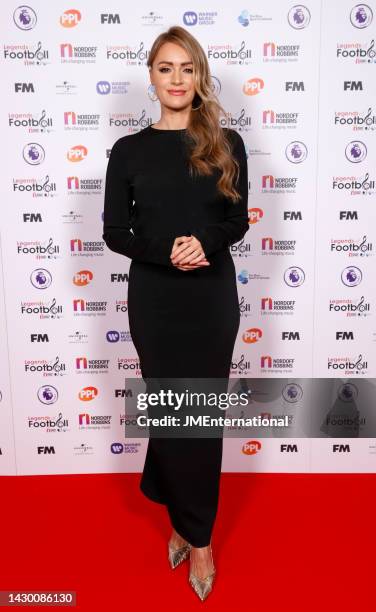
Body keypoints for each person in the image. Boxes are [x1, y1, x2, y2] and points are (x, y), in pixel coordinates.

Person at [102, 25, 249, 601]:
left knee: (199, 416)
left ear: (199, 75)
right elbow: (115, 232)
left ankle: (200, 538)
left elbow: (235, 222)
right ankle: (184, 519)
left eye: (187, 68)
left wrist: (205, 243)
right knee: (170, 412)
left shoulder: (225, 142)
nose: (177, 79)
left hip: (211, 296)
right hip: (156, 298)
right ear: (151, 76)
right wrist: (164, 250)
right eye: (166, 68)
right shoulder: (129, 150)